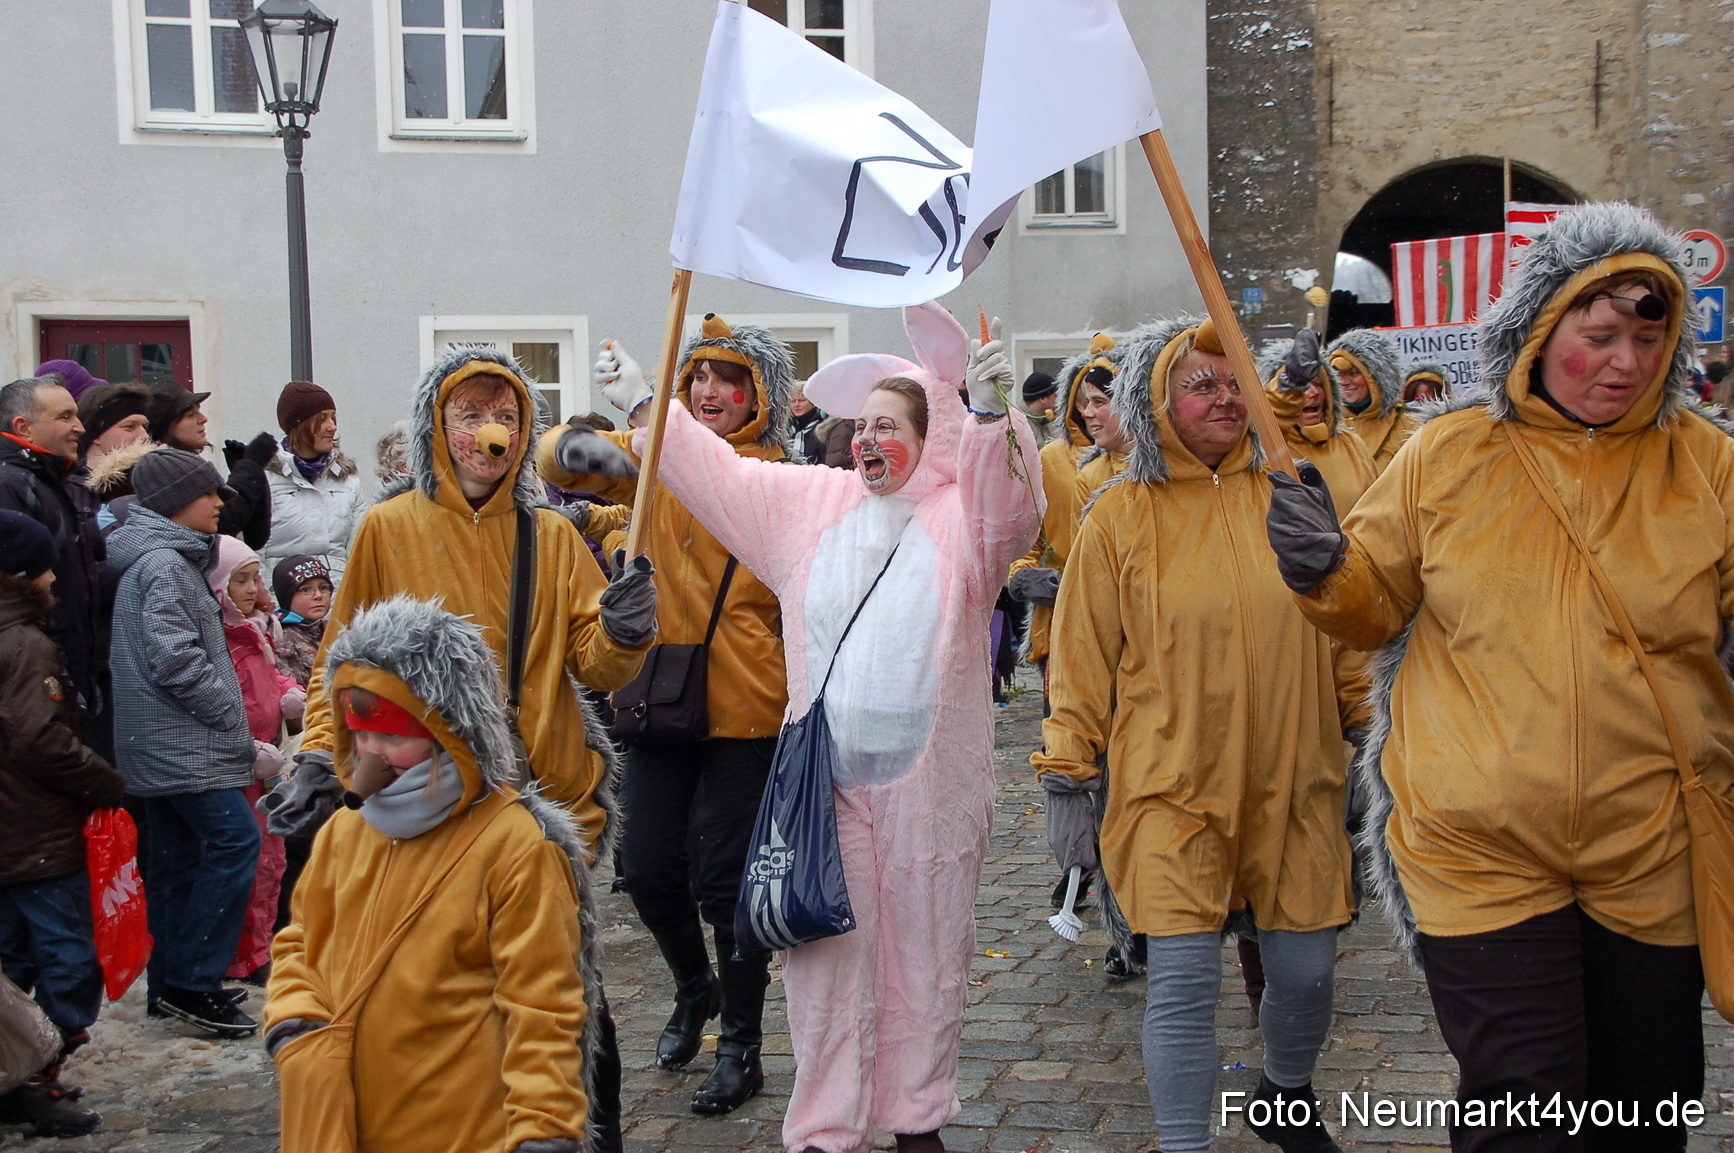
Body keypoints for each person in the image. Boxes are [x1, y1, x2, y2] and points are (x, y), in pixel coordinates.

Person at [1265, 202, 1730, 1153]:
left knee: (1646, 1107)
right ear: (1540, 330)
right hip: (1478, 849)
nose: (1626, 362)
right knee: (1524, 1105)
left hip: (1653, 846)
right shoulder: (1450, 450)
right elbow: (1370, 603)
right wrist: (1322, 567)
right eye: (1600, 335)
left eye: (1649, 339)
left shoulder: (1708, 465)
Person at [567, 301, 1042, 1153]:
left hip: (930, 799)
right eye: (864, 425)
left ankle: (915, 1114)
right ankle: (827, 1124)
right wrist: (647, 408)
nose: (869, 441)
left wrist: (990, 415)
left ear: (930, 439)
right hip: (826, 793)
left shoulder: (957, 519)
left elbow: (1010, 512)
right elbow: (722, 479)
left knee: (926, 958)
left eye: (891, 427)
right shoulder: (813, 507)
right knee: (822, 963)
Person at [294, 346, 652, 1151]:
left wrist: (626, 629)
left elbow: (594, 661)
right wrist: (320, 754)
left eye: (506, 415)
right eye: (470, 414)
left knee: (562, 989)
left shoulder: (551, 534)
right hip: (424, 802)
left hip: (537, 803)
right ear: (437, 427)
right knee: (445, 988)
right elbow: (339, 664)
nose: (491, 431)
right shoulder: (388, 529)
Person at [1036, 315, 1354, 1153]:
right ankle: (1185, 1142)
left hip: (1296, 780)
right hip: (1170, 785)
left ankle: (1284, 1096)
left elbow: (1346, 626)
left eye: (1234, 381)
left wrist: (1368, 730)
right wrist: (1069, 769)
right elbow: (1080, 657)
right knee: (1183, 981)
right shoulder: (1118, 516)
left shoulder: (1293, 493)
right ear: (1157, 402)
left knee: (1306, 975)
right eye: (1199, 384)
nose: (1223, 398)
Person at [540, 317, 793, 1117]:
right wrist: (606, 438)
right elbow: (557, 461)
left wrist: (658, 428)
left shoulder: (774, 474)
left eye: (728, 379)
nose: (710, 390)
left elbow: (736, 505)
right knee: (646, 866)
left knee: (727, 882)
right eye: (698, 378)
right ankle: (694, 985)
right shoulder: (657, 464)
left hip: (748, 702)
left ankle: (742, 1043)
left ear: (758, 396)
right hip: (658, 692)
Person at [267, 597, 598, 1153]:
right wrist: (295, 1019)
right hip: (341, 1121)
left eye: (393, 737)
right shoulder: (344, 832)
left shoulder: (515, 846)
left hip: (464, 1127)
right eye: (360, 735)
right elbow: (300, 940)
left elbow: (543, 1005)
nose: (371, 754)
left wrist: (544, 1124)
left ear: (450, 731)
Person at [107, 448, 261, 1038]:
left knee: (176, 861)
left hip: (161, 744)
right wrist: (228, 712)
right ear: (175, 502)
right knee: (235, 841)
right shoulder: (165, 565)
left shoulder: (160, 559)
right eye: (209, 493)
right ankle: (195, 981)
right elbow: (174, 659)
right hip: (183, 744)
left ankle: (171, 984)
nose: (220, 504)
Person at [0, 509, 125, 1139]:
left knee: (13, 960)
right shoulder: (25, 642)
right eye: (46, 565)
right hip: (35, 830)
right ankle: (33, 1078)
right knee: (69, 961)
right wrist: (104, 781)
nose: (56, 576)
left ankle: (13, 1076)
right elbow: (39, 739)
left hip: (13, 831)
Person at [0, 375, 112, 762]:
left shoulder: (53, 480)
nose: (79, 427)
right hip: (42, 680)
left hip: (75, 676)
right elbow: (20, 594)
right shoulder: (10, 484)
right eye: (65, 416)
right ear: (23, 427)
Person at [207, 535, 301, 984]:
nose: (250, 589)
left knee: (273, 858)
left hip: (268, 762)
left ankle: (259, 947)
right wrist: (247, 749)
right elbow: (219, 706)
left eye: (253, 578)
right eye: (238, 581)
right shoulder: (220, 641)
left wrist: (288, 693)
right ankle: (241, 956)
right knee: (249, 863)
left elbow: (269, 677)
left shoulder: (258, 630)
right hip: (239, 765)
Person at [1260, 330, 1379, 514]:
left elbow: (1377, 509)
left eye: (1318, 384)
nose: (1313, 393)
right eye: (1301, 387)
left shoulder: (1353, 445)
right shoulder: (1268, 453)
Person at [146, 379, 274, 549]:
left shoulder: (192, 463)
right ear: (167, 427)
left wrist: (253, 476)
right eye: (190, 415)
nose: (203, 419)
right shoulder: (162, 468)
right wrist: (250, 467)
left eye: (198, 411)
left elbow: (255, 537)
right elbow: (221, 526)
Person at [260, 381, 365, 586]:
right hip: (281, 600)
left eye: (333, 417)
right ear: (299, 424)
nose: (332, 427)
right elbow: (252, 556)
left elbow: (359, 554)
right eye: (322, 419)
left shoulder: (348, 481)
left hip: (337, 598)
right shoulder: (264, 480)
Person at [1327, 329, 1416, 474]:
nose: (1344, 382)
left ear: (1378, 378)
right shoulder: (1325, 425)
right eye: (1337, 374)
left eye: (1353, 373)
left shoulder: (1410, 425)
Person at [272, 553, 332, 691]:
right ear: (287, 597)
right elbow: (294, 691)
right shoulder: (282, 639)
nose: (318, 595)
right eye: (305, 590)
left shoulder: (334, 629)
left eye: (323, 588)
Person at [1018, 369, 1059, 444]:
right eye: (1055, 395)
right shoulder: (1019, 427)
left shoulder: (1050, 418)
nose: (1058, 399)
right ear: (1043, 399)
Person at [789, 383, 827, 463]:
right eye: (793, 401)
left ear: (813, 403)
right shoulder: (784, 429)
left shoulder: (822, 428)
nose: (796, 405)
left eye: (801, 400)